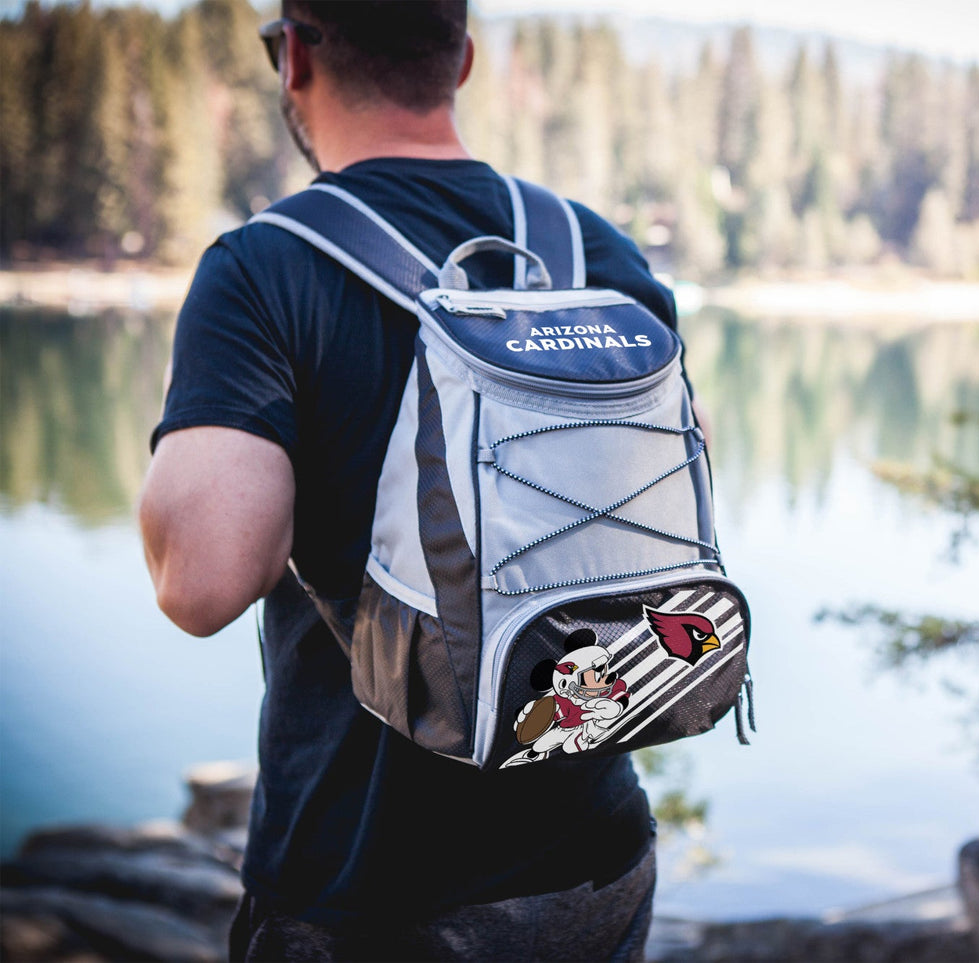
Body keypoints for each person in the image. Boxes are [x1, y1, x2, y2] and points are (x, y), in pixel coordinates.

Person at [138, 3, 672, 959]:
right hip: (594, 852)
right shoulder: (593, 247)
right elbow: (688, 476)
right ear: (460, 60)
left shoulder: (266, 268)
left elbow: (202, 581)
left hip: (371, 887)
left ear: (294, 55)